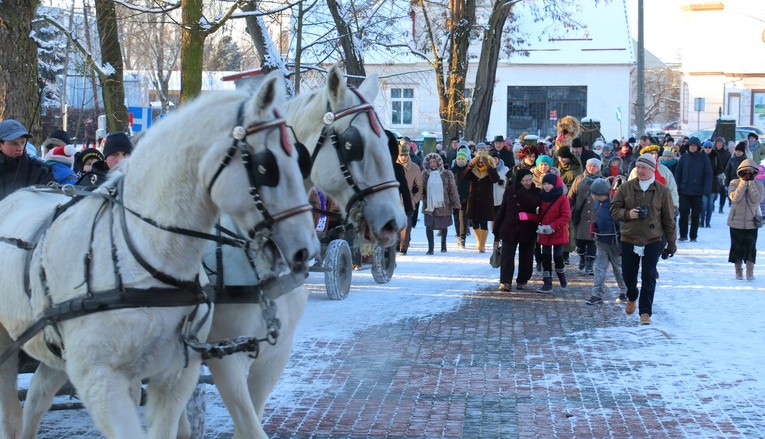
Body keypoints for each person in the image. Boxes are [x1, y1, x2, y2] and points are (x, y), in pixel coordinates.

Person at [610, 153, 677, 325]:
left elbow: (669, 219)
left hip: (653, 239)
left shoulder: (663, 191)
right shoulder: (626, 188)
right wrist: (627, 214)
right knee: (628, 275)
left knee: (649, 276)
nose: (639, 171)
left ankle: (645, 312)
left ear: (652, 169)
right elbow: (614, 210)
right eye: (638, 167)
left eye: (643, 168)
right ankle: (632, 296)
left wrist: (671, 243)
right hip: (629, 237)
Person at [492, 169, 541, 291]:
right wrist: (496, 232)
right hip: (510, 227)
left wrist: (524, 192)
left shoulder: (536, 192)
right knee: (507, 256)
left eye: (530, 179)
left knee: (526, 256)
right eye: (525, 180)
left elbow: (534, 204)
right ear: (519, 180)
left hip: (528, 229)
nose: (528, 182)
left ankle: (522, 280)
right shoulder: (510, 190)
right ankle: (505, 281)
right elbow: (502, 211)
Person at [585, 177, 627, 304]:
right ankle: (596, 295)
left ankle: (625, 292)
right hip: (601, 240)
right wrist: (594, 226)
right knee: (599, 268)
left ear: (599, 194)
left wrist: (622, 242)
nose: (591, 195)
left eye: (592, 193)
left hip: (614, 242)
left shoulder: (613, 204)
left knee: (618, 269)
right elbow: (597, 217)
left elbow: (620, 224)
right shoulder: (598, 203)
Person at [727, 159, 763, 281]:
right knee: (736, 248)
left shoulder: (759, 185)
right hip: (736, 222)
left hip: (752, 222)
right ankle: (738, 272)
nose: (748, 173)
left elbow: (756, 199)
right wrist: (743, 183)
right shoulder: (734, 183)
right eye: (745, 171)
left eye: (751, 171)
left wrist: (751, 184)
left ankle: (750, 272)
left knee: (750, 248)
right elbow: (735, 198)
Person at [0, 119, 54, 201]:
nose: (20, 148)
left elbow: (50, 201)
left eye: (23, 142)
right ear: (1, 145)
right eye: (14, 143)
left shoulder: (41, 170)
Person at [536, 173, 571, 293]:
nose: (546, 186)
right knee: (545, 257)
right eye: (544, 184)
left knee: (558, 257)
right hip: (544, 232)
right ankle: (547, 283)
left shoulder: (562, 198)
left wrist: (552, 226)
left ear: (555, 185)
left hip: (558, 232)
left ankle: (561, 275)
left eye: (549, 184)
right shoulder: (541, 197)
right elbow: (539, 215)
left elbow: (566, 216)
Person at [569, 157, 603, 275]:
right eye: (590, 165)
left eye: (594, 166)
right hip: (580, 214)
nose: (591, 168)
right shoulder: (579, 179)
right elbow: (571, 195)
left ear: (598, 168)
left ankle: (590, 264)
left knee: (592, 241)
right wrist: (568, 208)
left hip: (595, 215)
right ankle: (582, 257)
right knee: (580, 242)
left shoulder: (602, 181)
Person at [421, 153, 460, 254]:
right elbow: (421, 189)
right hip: (429, 204)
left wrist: (455, 203)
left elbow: (452, 190)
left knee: (443, 226)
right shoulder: (424, 174)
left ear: (439, 162)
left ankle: (443, 245)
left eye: (435, 161)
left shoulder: (446, 174)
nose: (433, 164)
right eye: (430, 162)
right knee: (429, 226)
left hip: (444, 204)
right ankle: (430, 248)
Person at [674, 136, 712, 242]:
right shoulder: (684, 158)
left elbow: (708, 174)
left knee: (696, 215)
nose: (692, 147)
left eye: (694, 145)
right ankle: (683, 235)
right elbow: (678, 173)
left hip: (697, 191)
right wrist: (676, 187)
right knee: (684, 213)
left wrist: (706, 189)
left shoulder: (704, 158)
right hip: (684, 190)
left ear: (698, 146)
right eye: (690, 145)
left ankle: (693, 236)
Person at [463, 148, 499, 252]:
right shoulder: (472, 171)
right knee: (474, 223)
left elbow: (495, 179)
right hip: (473, 200)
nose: (480, 163)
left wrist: (488, 165)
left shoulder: (490, 170)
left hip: (486, 201)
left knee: (483, 222)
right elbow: (464, 176)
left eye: (482, 161)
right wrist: (471, 164)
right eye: (478, 161)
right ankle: (478, 240)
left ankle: (482, 245)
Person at [396, 141, 423, 255]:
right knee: (395, 226)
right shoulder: (393, 167)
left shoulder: (415, 168)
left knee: (406, 227)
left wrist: (413, 202)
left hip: (408, 201)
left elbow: (420, 187)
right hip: (394, 202)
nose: (403, 158)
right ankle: (396, 246)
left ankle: (404, 247)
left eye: (405, 155)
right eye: (401, 155)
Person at [699, 140, 724, 227]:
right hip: (703, 182)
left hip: (713, 182)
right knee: (703, 204)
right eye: (706, 147)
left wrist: (714, 172)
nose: (707, 149)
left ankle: (708, 222)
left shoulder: (715, 155)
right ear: (703, 148)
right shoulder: (700, 156)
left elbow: (720, 168)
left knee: (710, 205)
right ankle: (702, 222)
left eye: (709, 147)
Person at [451, 147, 471, 249]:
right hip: (455, 197)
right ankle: (458, 236)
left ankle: (463, 238)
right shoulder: (453, 170)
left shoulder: (469, 170)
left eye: (463, 159)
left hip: (466, 197)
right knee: (456, 218)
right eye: (459, 159)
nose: (460, 161)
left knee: (463, 218)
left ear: (466, 159)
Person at [714, 137, 731, 213]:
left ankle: (721, 206)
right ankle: (712, 205)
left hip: (723, 174)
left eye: (721, 143)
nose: (719, 144)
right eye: (718, 142)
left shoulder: (727, 153)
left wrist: (725, 173)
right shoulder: (712, 152)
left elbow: (729, 165)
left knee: (722, 192)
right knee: (713, 192)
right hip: (713, 174)